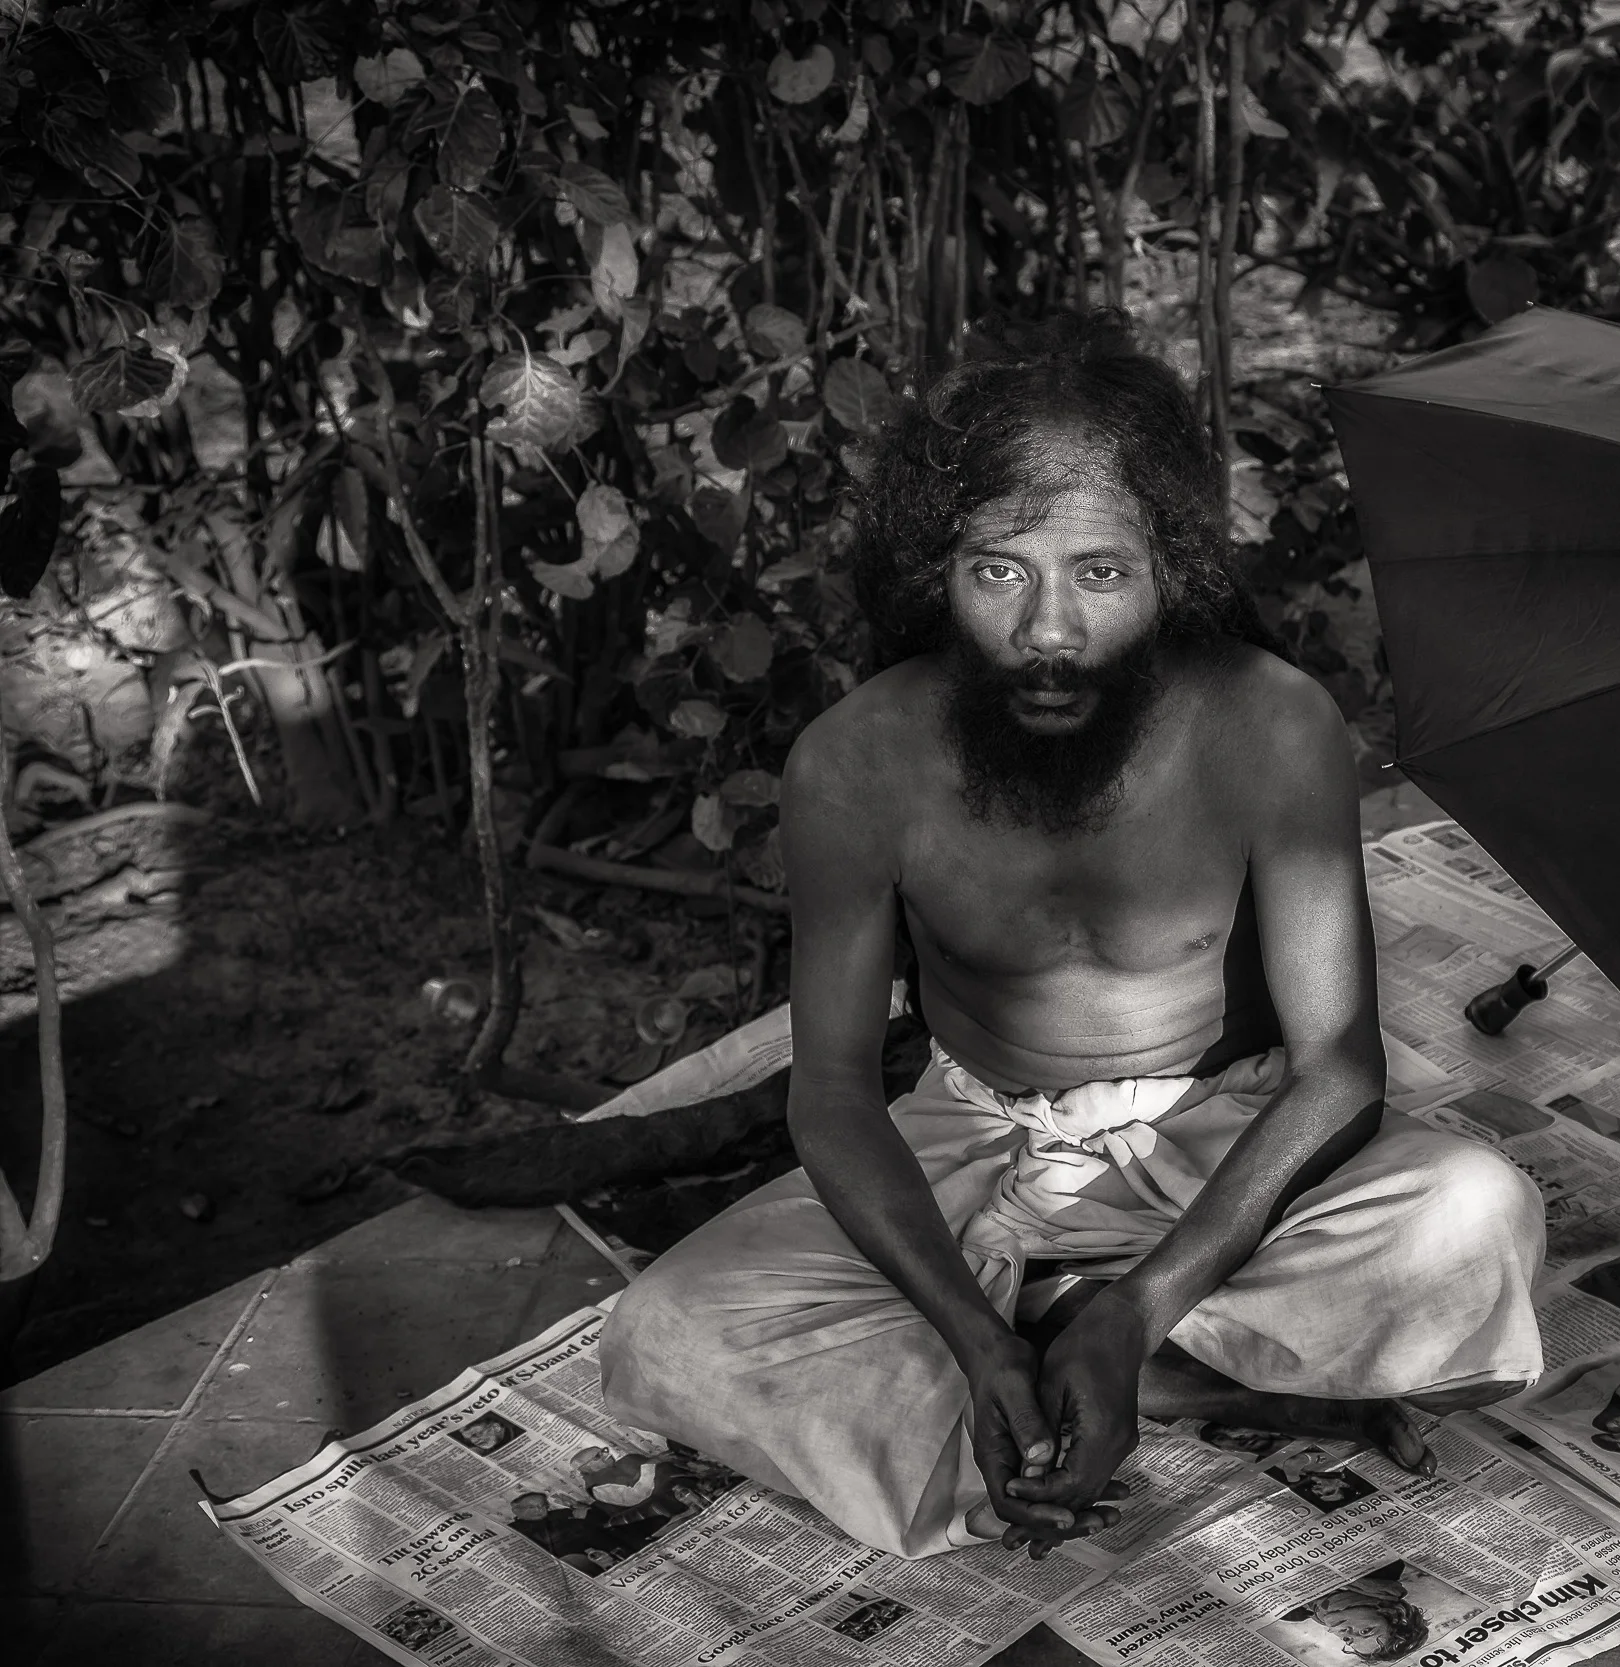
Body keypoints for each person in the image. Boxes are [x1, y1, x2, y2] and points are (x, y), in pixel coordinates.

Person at [601, 313, 1545, 1561]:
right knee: (667, 1329)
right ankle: (1144, 1371)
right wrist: (968, 1332)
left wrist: (1138, 1306)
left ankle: (1093, 1341)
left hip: (1220, 1131)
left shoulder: (1269, 725)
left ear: (1169, 572)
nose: (1048, 629)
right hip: (966, 1141)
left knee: (1474, 1214)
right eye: (1000, 572)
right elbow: (830, 1090)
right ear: (935, 572)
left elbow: (1336, 1070)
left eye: (1100, 573)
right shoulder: (854, 761)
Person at [1290, 1566, 1433, 1662]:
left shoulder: (1294, 1613)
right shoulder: (1386, 1568)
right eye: (1365, 1631)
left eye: (1348, 1639)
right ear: (1390, 1613)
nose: (1345, 1632)